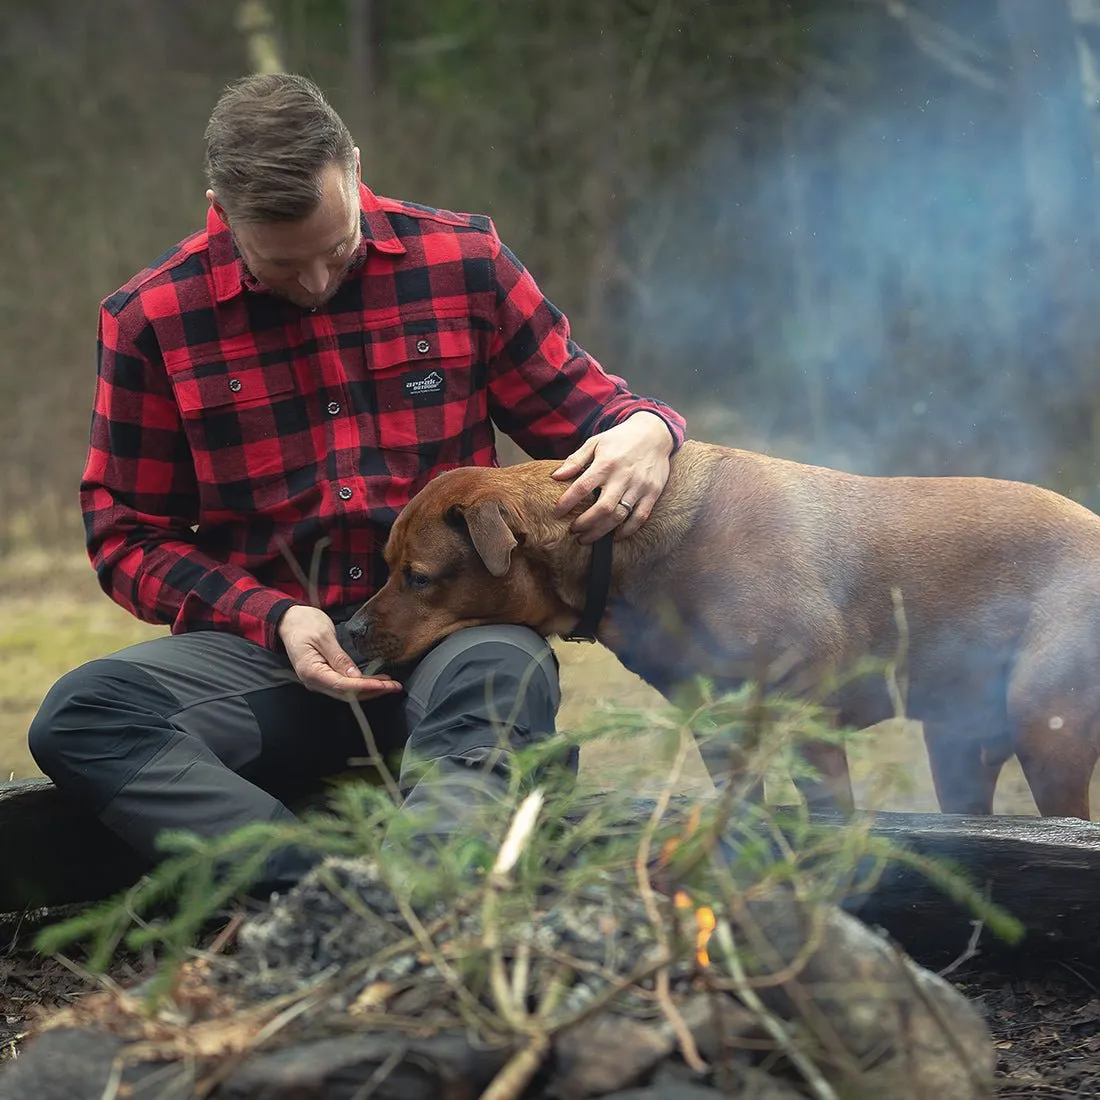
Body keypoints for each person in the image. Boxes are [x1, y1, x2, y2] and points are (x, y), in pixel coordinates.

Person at [28, 73, 686, 897]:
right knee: (82, 715)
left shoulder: (464, 263)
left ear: (355, 168)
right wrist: (275, 617)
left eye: (335, 251)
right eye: (280, 264)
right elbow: (126, 535)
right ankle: (324, 898)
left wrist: (650, 430)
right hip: (265, 664)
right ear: (220, 210)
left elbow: (594, 417)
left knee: (506, 670)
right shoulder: (152, 319)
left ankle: (435, 896)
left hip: (454, 649)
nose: (314, 285)